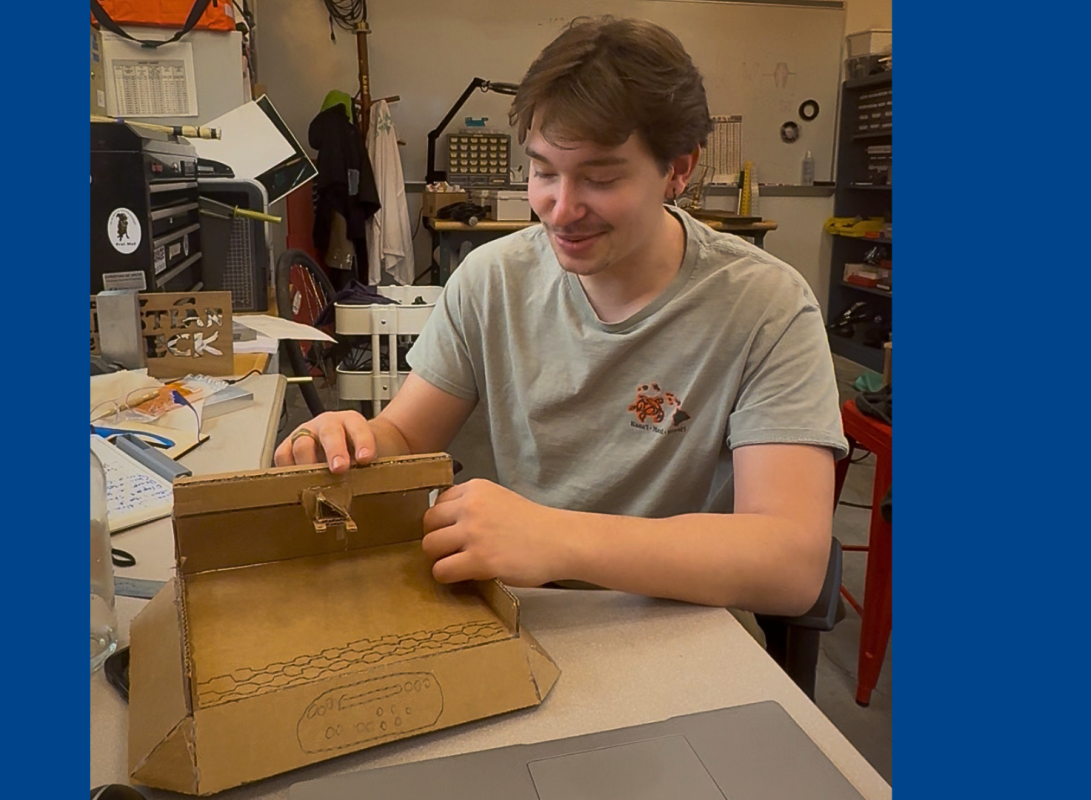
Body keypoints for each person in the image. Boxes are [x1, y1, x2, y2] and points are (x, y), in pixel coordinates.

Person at [276, 17, 846, 619]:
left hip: (686, 623)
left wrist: (557, 539)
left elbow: (791, 563)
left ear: (678, 169)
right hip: (525, 611)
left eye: (600, 178)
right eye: (544, 172)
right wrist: (352, 443)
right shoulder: (493, 279)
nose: (560, 209)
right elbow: (408, 437)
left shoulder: (766, 306)